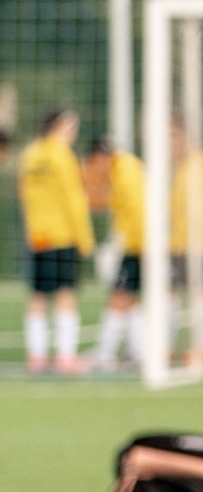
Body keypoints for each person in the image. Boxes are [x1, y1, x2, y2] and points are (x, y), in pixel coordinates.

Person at [19, 107, 94, 377]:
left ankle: (36, 356)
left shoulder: (31, 154)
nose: (73, 133)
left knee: (39, 295)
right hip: (63, 234)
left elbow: (23, 195)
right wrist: (85, 238)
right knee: (65, 294)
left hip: (38, 235)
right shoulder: (62, 155)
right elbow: (74, 200)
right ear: (59, 126)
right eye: (71, 127)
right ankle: (65, 357)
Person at [81, 137, 147, 373]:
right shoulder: (122, 170)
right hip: (136, 243)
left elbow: (138, 209)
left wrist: (141, 246)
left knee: (118, 296)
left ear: (100, 158)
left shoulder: (125, 171)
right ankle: (141, 351)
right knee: (129, 299)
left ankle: (105, 353)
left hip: (140, 244)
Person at [167, 119, 203, 363]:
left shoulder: (196, 164)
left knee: (201, 291)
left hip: (196, 242)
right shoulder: (184, 165)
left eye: (173, 137)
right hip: (182, 241)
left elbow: (201, 206)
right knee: (174, 291)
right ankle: (170, 346)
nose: (169, 143)